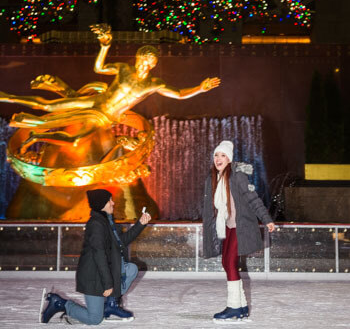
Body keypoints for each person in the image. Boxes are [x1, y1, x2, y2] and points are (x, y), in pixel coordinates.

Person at [0, 24, 220, 150]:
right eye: (144, 57)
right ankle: (7, 97)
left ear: (153, 63)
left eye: (150, 59)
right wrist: (105, 46)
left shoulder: (154, 84)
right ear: (137, 58)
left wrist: (200, 88)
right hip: (96, 101)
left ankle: (36, 136)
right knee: (48, 106)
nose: (146, 61)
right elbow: (99, 68)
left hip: (106, 117)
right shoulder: (123, 69)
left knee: (75, 140)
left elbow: (180, 94)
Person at [41, 188, 152, 324]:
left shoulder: (107, 222)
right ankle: (60, 303)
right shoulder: (96, 224)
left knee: (131, 269)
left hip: (103, 271)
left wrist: (140, 224)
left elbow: (120, 242)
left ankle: (111, 304)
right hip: (93, 276)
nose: (113, 203)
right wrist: (108, 284)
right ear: (102, 205)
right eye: (110, 200)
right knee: (94, 319)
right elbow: (99, 255)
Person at [202, 140, 275, 323]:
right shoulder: (214, 179)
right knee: (227, 264)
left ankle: (234, 307)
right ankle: (241, 306)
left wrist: (267, 219)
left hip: (240, 227)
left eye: (223, 155)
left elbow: (253, 199)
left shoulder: (237, 176)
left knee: (229, 262)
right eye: (216, 155)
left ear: (229, 159)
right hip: (227, 227)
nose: (218, 159)